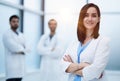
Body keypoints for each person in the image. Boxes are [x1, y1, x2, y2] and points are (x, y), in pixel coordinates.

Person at [61, 3, 110, 81]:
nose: (90, 19)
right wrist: (82, 65)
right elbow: (62, 65)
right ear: (82, 18)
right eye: (86, 15)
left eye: (94, 16)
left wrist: (72, 67)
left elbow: (95, 71)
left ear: (99, 19)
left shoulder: (103, 41)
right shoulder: (74, 41)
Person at [3, 15, 29, 81]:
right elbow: (12, 47)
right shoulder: (6, 34)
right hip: (11, 69)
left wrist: (21, 50)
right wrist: (23, 49)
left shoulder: (21, 35)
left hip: (20, 69)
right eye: (13, 21)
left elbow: (28, 47)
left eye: (17, 21)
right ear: (10, 23)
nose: (16, 23)